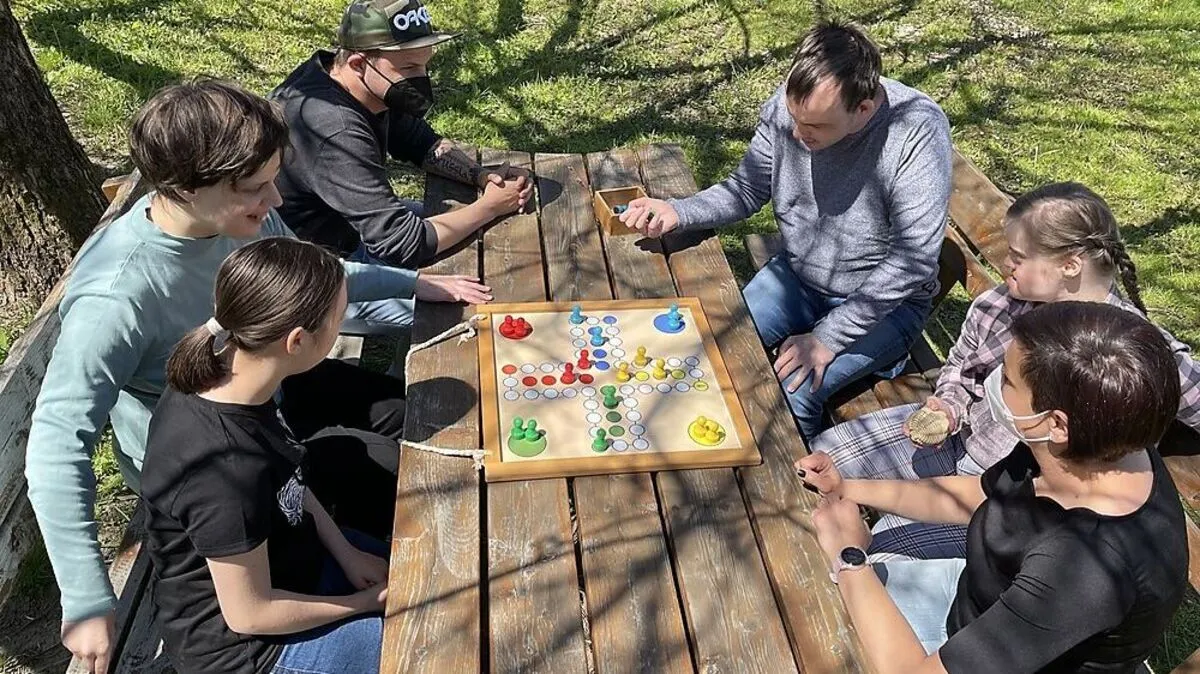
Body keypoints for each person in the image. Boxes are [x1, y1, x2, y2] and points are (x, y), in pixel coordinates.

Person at [23, 79, 485, 673]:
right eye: (253, 188)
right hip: (218, 480)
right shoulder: (116, 298)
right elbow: (58, 443)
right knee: (408, 487)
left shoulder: (235, 220)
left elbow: (306, 270)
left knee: (418, 421)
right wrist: (86, 597)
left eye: (273, 178)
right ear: (185, 186)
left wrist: (413, 283)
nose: (275, 199)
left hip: (268, 411)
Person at [810, 182, 1200, 560]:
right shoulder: (1003, 304)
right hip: (956, 439)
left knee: (880, 548)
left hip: (1007, 493)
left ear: (1069, 265)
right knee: (817, 464)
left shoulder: (1127, 348)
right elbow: (961, 364)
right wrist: (948, 405)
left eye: (1018, 256)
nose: (1007, 264)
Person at [798, 301, 1188, 674]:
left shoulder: (1085, 569)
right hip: (971, 604)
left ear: (1056, 423)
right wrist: (849, 488)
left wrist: (849, 558)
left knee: (804, 620)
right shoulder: (1098, 445)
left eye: (1007, 379)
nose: (991, 387)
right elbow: (978, 496)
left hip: (968, 652)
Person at [618, 20, 952, 439]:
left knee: (793, 390)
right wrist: (680, 211)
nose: (796, 133)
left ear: (863, 109)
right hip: (798, 277)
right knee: (713, 347)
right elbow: (746, 187)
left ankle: (810, 490)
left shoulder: (915, 131)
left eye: (814, 128)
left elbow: (913, 261)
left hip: (886, 307)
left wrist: (827, 337)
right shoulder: (795, 106)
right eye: (795, 118)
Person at [143, 238, 388, 674]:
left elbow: (288, 477)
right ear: (297, 341)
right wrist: (358, 606)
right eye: (338, 318)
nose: (340, 327)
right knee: (417, 641)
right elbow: (249, 614)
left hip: (295, 568)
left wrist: (347, 554)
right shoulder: (222, 470)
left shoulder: (232, 377)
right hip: (248, 651)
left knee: (416, 570)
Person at [271, 0, 532, 281]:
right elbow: (401, 243)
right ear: (359, 63)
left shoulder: (348, 79)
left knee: (497, 230)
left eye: (425, 64)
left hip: (360, 225)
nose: (422, 78)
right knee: (478, 295)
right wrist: (489, 206)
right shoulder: (335, 130)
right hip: (322, 271)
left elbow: (418, 140)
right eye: (409, 68)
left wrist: (479, 175)